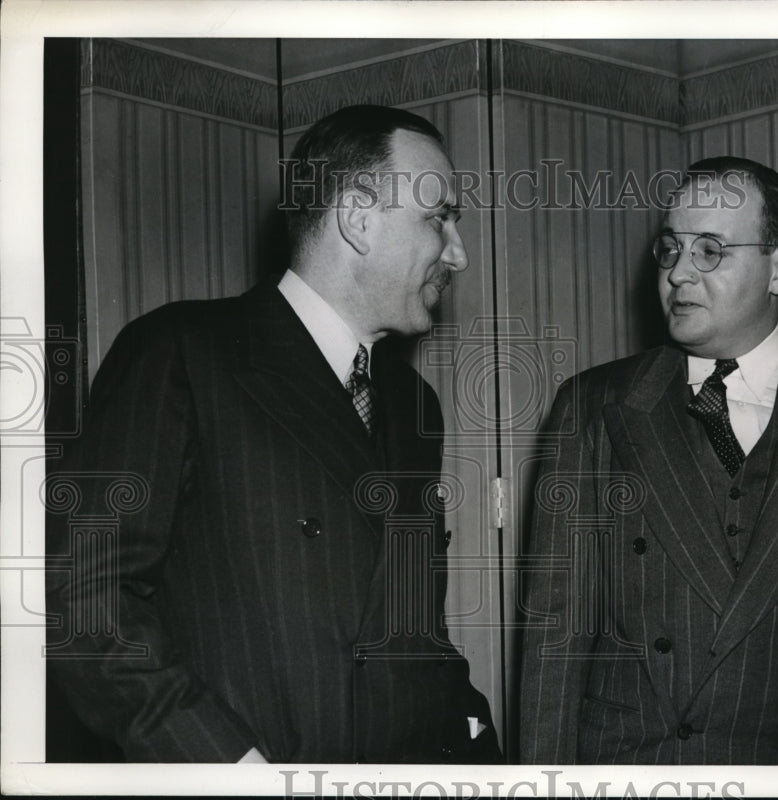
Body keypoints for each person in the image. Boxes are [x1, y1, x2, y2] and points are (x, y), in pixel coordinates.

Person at [46, 105, 500, 764]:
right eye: (439, 218)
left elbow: (412, 624)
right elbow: (86, 600)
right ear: (358, 218)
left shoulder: (410, 403)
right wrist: (228, 766)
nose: (456, 253)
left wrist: (470, 731)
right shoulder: (179, 351)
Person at [519, 156, 778, 765]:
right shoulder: (593, 407)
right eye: (671, 249)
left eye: (710, 250)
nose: (679, 274)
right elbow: (552, 643)